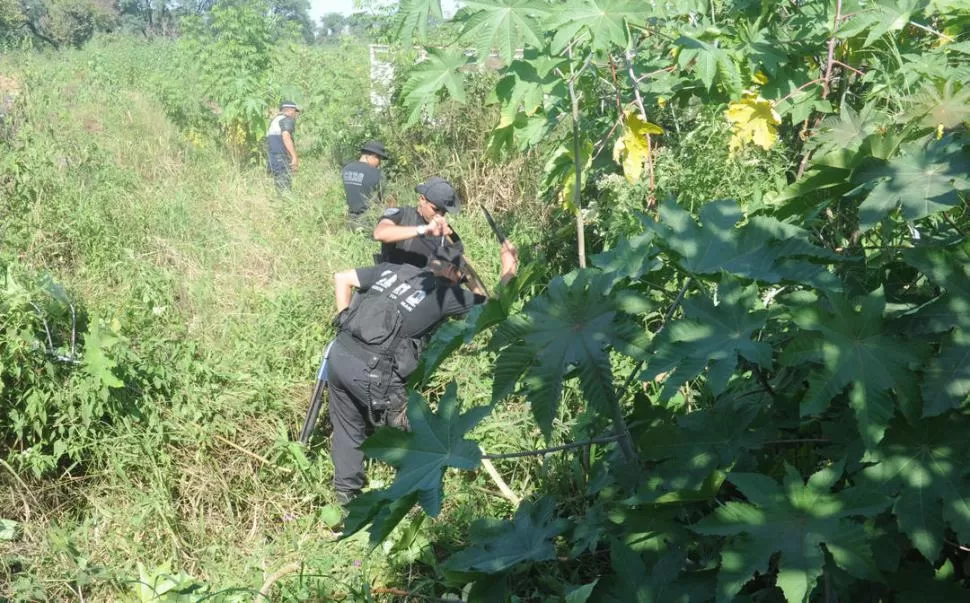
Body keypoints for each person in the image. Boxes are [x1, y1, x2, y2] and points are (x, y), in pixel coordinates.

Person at [327, 240, 518, 505]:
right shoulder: (445, 294)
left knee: (348, 426)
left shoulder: (392, 269)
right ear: (452, 273)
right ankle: (415, 496)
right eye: (461, 279)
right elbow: (493, 309)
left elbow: (342, 278)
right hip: (373, 372)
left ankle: (346, 498)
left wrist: (344, 319)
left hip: (338, 355)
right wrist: (508, 270)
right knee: (416, 435)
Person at [372, 176, 464, 268]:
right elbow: (379, 233)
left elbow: (461, 266)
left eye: (443, 212)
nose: (439, 216)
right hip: (394, 278)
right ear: (422, 200)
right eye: (435, 209)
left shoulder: (445, 233)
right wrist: (424, 230)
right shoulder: (403, 215)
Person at [342, 140, 389, 232]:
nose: (379, 163)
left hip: (349, 222)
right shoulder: (377, 174)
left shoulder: (346, 169)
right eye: (379, 158)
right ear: (372, 155)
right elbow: (382, 199)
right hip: (368, 223)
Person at [266, 100, 300, 191]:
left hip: (272, 157)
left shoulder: (274, 121)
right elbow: (286, 136)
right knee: (285, 189)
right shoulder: (286, 120)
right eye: (295, 111)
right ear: (289, 110)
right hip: (281, 158)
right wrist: (294, 157)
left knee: (279, 186)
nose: (295, 114)